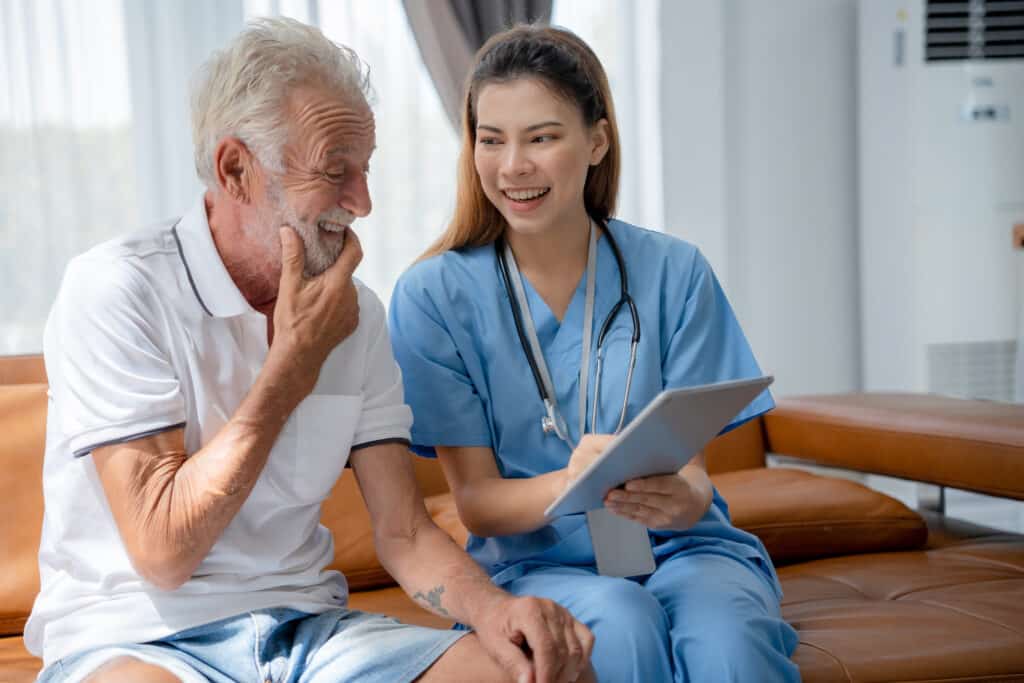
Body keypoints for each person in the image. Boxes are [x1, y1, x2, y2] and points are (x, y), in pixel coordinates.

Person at [25, 17, 596, 683]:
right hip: (137, 638)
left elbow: (405, 531)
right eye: (335, 170)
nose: (363, 202)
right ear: (236, 169)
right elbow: (164, 551)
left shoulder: (357, 314)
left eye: (366, 169)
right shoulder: (117, 288)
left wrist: (496, 612)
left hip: (309, 633)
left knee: (531, 672)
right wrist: (291, 366)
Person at [388, 24, 801, 682]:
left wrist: (685, 500)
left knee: (731, 646)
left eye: (542, 137)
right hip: (537, 564)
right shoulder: (433, 296)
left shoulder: (675, 272)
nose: (512, 165)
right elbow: (477, 503)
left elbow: (694, 477)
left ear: (597, 142)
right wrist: (576, 485)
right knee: (619, 625)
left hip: (687, 550)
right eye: (490, 140)